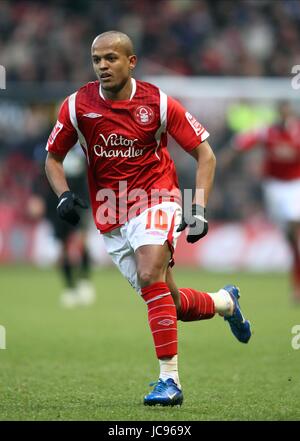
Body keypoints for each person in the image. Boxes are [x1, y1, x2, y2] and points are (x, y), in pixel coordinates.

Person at [45, 31, 251, 406]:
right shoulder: (77, 106)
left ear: (131, 61)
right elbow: (52, 159)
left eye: (111, 58)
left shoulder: (157, 102)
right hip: (111, 212)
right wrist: (62, 195)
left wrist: (199, 207)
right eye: (97, 60)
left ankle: (169, 382)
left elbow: (206, 155)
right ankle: (225, 302)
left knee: (147, 273)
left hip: (157, 197)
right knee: (168, 302)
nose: (103, 66)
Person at [223, 101, 300, 303]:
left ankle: (297, 284)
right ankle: (296, 279)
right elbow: (243, 142)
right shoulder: (268, 133)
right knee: (291, 239)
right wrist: (227, 156)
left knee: (295, 226)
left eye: (287, 113)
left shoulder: (298, 133)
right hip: (274, 187)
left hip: (295, 186)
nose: (285, 118)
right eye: (282, 113)